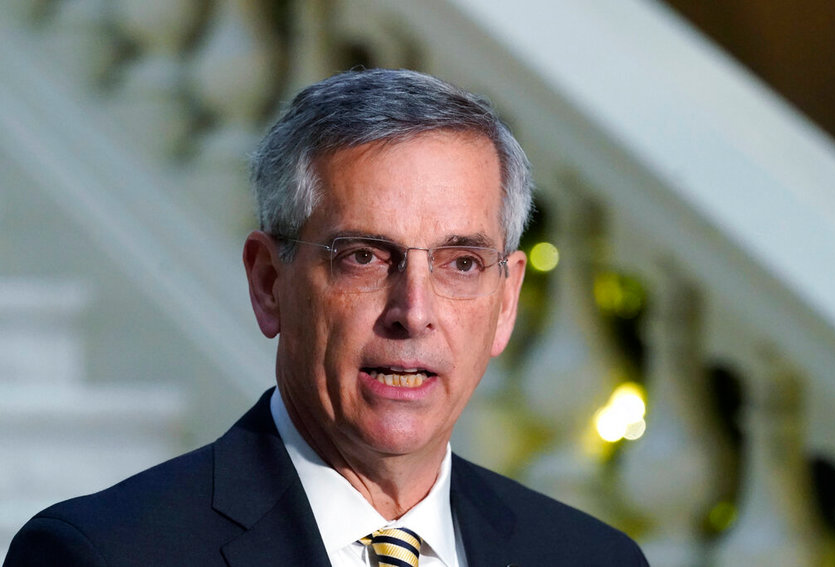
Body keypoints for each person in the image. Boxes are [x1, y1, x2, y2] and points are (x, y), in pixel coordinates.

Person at [4, 69, 648, 566]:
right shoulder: (104, 555)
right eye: (364, 257)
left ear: (506, 303)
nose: (413, 313)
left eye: (461, 263)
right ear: (268, 283)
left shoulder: (592, 559)